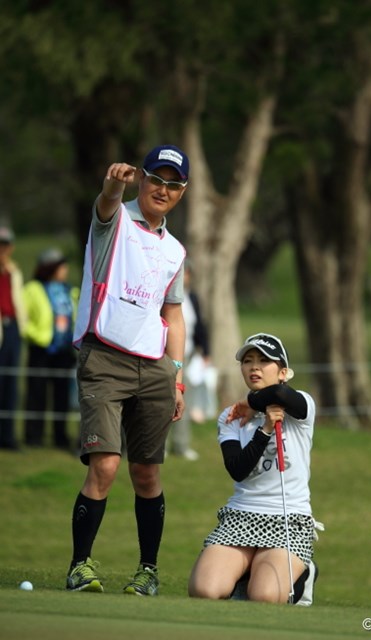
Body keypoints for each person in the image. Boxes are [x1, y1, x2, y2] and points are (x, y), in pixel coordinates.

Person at [66, 145, 189, 596]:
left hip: (155, 366)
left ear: (182, 192)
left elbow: (173, 314)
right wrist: (114, 182)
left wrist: (177, 377)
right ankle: (79, 566)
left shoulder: (175, 250)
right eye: (156, 179)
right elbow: (105, 204)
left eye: (173, 184)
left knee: (147, 473)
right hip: (104, 356)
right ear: (143, 180)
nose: (163, 189)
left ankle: (148, 571)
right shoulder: (115, 221)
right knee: (106, 464)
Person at [188, 333, 323, 604]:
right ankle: (244, 575)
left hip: (288, 519)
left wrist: (250, 403)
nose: (254, 367)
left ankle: (304, 573)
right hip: (241, 516)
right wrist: (263, 430)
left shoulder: (302, 406)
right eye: (247, 361)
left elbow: (279, 393)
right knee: (204, 591)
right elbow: (238, 470)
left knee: (264, 597)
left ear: (283, 372)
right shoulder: (231, 417)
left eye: (264, 360)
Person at [23, 248, 79, 450]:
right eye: (61, 266)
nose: (65, 269)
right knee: (36, 393)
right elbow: (24, 318)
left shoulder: (69, 290)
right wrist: (37, 336)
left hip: (64, 350)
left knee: (62, 395)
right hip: (41, 349)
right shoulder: (32, 289)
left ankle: (60, 436)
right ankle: (33, 436)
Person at [168, 259, 211, 460]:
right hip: (167, 355)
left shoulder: (192, 297)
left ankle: (181, 444)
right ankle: (162, 446)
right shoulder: (164, 297)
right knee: (164, 400)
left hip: (189, 355)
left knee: (185, 400)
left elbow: (200, 326)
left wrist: (206, 352)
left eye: (186, 274)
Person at [0, 225, 26, 450]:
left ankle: (7, 436)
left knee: (11, 384)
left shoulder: (14, 272)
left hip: (12, 329)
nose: (2, 250)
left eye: (5, 245)